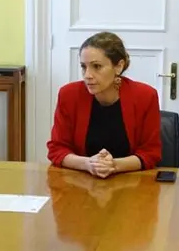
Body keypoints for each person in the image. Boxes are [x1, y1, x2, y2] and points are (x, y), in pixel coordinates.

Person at [47, 32, 161, 177]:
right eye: (84, 67)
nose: (88, 75)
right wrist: (88, 164)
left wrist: (114, 165)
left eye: (97, 66)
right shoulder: (69, 95)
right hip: (82, 182)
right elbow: (57, 149)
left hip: (131, 182)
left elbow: (151, 153)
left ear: (119, 66)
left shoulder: (145, 96)